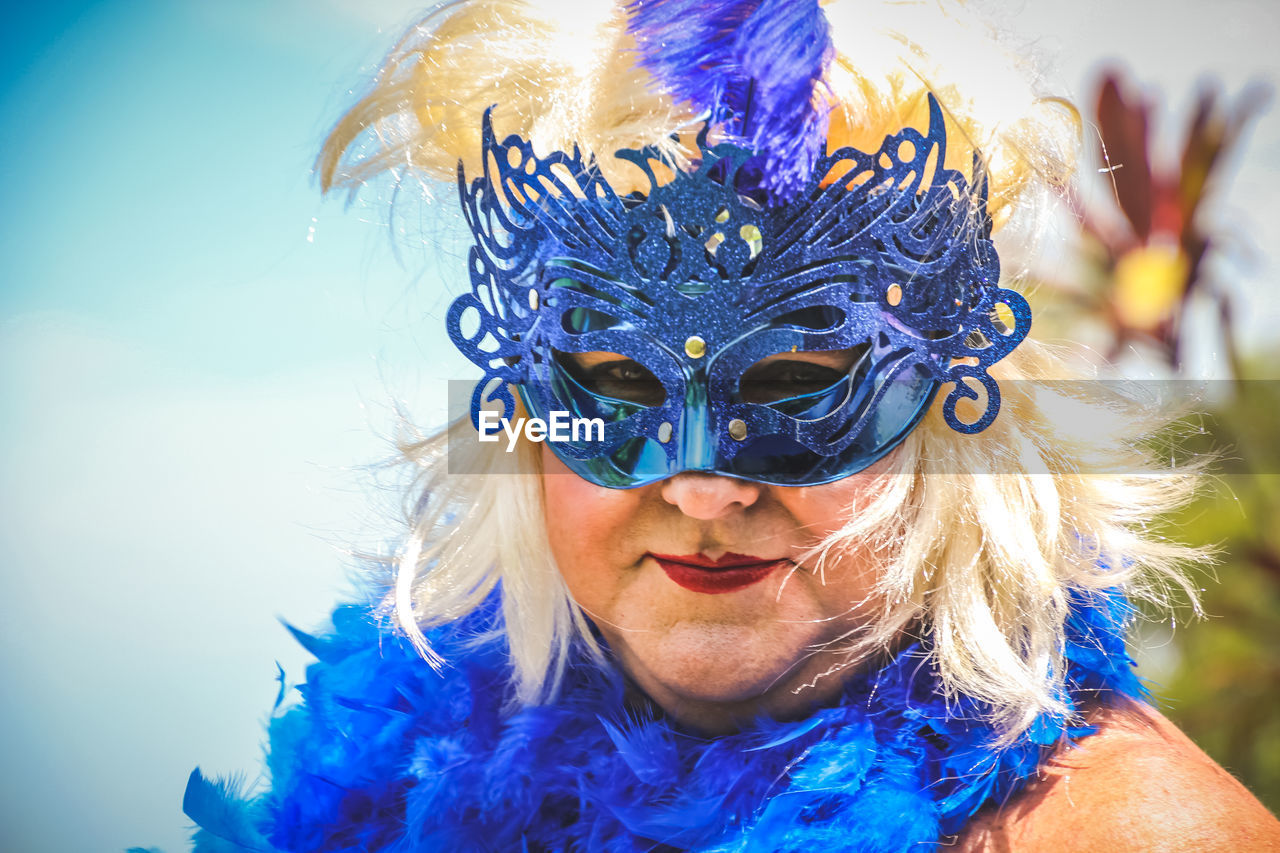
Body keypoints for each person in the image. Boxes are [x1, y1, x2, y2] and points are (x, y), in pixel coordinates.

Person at [184, 1, 1280, 850]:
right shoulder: (401, 786)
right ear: (520, 406)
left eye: (797, 380)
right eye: (614, 377)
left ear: (951, 408)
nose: (704, 482)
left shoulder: (1137, 837)